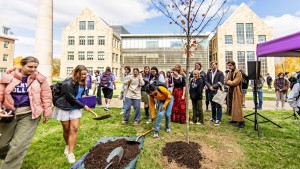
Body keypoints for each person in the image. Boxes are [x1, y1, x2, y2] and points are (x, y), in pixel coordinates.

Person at [0, 56, 52, 169]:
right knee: (1, 144)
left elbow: (47, 96)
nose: (33, 69)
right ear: (22, 65)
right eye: (30, 66)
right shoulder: (9, 76)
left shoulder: (40, 79)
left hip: (30, 114)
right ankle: (12, 156)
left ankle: (11, 163)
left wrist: (47, 112)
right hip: (9, 114)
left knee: (19, 146)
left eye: (35, 67)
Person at [52, 65, 90, 164]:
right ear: (76, 73)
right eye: (82, 74)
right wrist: (84, 106)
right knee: (66, 129)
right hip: (65, 107)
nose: (84, 76)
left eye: (85, 74)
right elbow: (71, 98)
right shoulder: (68, 82)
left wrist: (85, 98)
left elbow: (80, 94)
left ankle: (70, 153)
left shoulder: (83, 81)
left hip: (76, 107)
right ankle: (67, 145)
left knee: (74, 128)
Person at [225, 61, 245, 128]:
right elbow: (226, 80)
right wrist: (228, 81)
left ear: (234, 65)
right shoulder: (230, 72)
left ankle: (241, 121)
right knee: (232, 106)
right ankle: (234, 119)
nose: (229, 67)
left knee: (238, 107)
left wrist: (228, 82)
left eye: (230, 65)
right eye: (228, 66)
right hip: (231, 90)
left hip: (236, 91)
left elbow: (235, 82)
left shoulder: (238, 72)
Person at [205, 61, 224, 125]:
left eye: (213, 65)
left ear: (216, 65)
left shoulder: (220, 73)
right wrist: (210, 87)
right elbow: (206, 81)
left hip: (217, 91)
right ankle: (213, 117)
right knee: (212, 105)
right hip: (210, 91)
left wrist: (213, 86)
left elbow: (221, 82)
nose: (212, 66)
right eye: (211, 65)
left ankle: (218, 119)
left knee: (218, 105)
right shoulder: (208, 73)